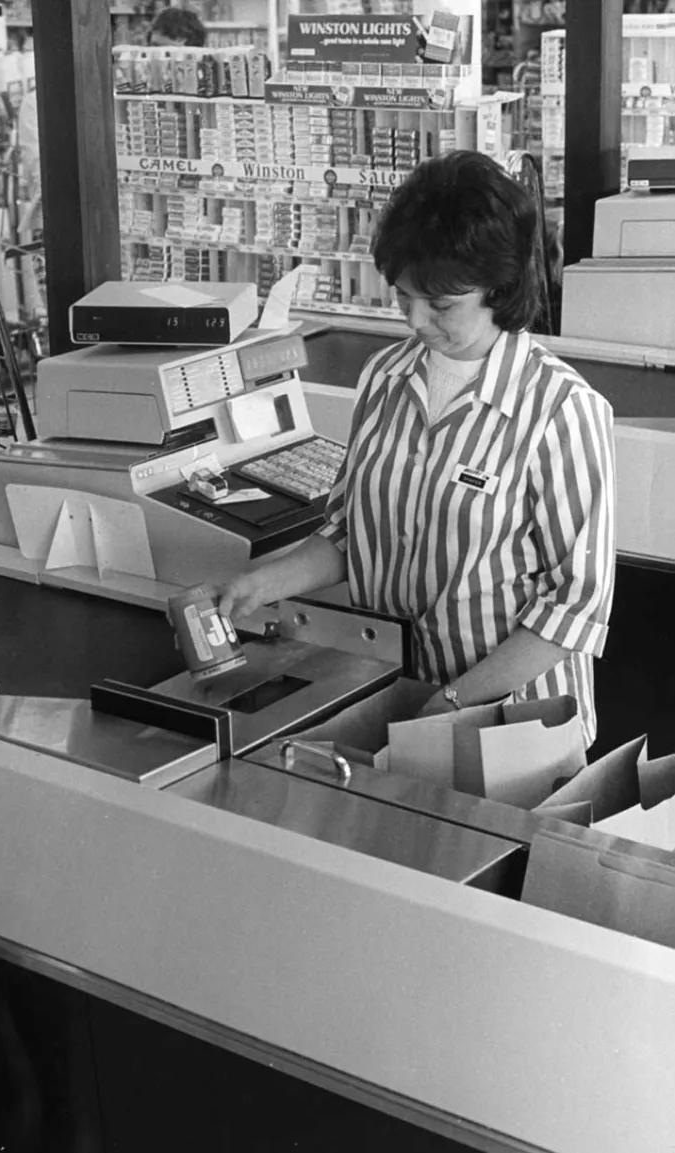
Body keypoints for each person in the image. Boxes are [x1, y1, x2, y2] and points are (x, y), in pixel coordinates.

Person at [218, 150, 615, 746]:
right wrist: (262, 582)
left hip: (514, 727)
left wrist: (453, 702)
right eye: (404, 297)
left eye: (442, 304)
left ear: (498, 287)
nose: (418, 321)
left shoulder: (561, 410)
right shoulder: (384, 378)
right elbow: (350, 534)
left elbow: (574, 610)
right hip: (395, 697)